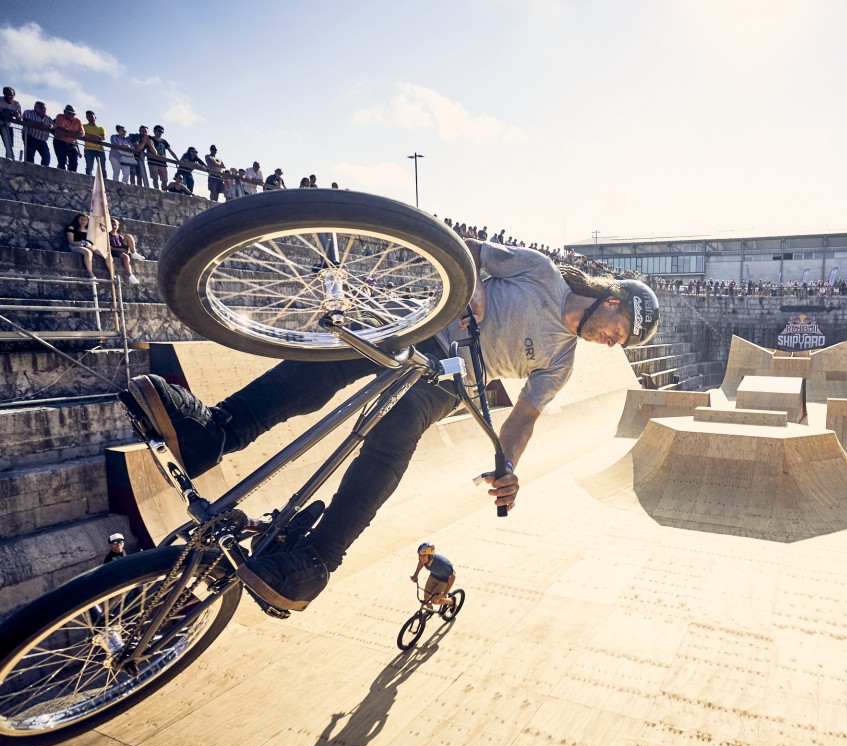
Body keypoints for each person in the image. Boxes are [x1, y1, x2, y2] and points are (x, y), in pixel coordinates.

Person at [123, 239, 661, 612]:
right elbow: (467, 253)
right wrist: (469, 287)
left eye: (621, 344)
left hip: (449, 382)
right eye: (620, 332)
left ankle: (318, 557)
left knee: (395, 430)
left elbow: (523, 415)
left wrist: (509, 466)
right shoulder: (539, 273)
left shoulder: (561, 362)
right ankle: (216, 432)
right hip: (423, 330)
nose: (614, 344)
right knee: (330, 363)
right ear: (612, 301)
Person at [410, 542, 455, 608]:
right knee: (426, 596)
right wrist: (415, 574)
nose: (421, 558)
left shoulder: (442, 564)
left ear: (430, 555)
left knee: (434, 600)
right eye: (420, 555)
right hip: (434, 575)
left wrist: (445, 593)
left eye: (424, 555)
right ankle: (429, 610)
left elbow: (453, 576)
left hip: (444, 580)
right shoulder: (424, 560)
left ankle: (451, 601)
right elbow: (421, 563)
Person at [65, 213, 104, 279]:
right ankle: (90, 273)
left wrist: (93, 247)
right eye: (81, 219)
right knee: (87, 252)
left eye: (85, 220)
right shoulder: (72, 228)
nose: (83, 221)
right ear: (77, 219)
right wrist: (84, 245)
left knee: (105, 254)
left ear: (87, 221)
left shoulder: (89, 230)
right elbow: (71, 241)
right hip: (76, 245)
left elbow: (94, 242)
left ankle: (112, 273)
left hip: (89, 245)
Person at [108, 219, 142, 284]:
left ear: (118, 226)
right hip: (115, 251)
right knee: (126, 257)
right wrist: (121, 250)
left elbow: (124, 246)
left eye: (115, 225)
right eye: (112, 225)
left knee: (129, 236)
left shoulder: (119, 236)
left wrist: (126, 249)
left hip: (122, 249)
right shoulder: (108, 235)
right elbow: (109, 247)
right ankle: (130, 275)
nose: (114, 226)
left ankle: (134, 253)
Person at [145, 125, 179, 189]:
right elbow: (147, 149)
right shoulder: (150, 139)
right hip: (153, 162)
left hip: (162, 163)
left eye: (162, 132)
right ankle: (157, 190)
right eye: (159, 131)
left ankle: (164, 191)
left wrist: (177, 159)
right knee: (155, 178)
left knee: (164, 179)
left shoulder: (164, 141)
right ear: (154, 131)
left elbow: (171, 151)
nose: (160, 133)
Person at [52, 104, 83, 171]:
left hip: (72, 144)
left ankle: (72, 177)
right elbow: (61, 128)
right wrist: (74, 133)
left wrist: (67, 132)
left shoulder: (78, 121)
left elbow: (82, 133)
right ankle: (60, 176)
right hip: (60, 142)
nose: (71, 115)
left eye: (73, 114)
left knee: (74, 163)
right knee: (62, 162)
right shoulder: (60, 117)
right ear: (65, 112)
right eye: (69, 113)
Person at [21, 101, 53, 166]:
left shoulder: (48, 118)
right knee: (30, 156)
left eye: (44, 108)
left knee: (47, 157)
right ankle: (30, 169)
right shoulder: (28, 112)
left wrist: (51, 126)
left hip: (42, 141)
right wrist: (42, 125)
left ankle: (44, 171)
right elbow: (26, 120)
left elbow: (53, 125)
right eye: (41, 108)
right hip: (30, 138)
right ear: (35, 107)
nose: (43, 110)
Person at [82, 111, 106, 177]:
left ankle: (104, 182)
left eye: (91, 116)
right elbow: (83, 135)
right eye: (88, 116)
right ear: (86, 117)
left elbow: (102, 138)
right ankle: (89, 180)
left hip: (100, 150)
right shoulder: (83, 126)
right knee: (89, 167)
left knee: (102, 168)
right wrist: (96, 136)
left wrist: (89, 136)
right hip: (88, 149)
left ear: (95, 117)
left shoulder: (101, 128)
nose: (90, 118)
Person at [0, 86, 22, 160]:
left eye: (11, 94)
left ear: (14, 95)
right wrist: (12, 114)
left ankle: (9, 159)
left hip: (8, 125)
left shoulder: (16, 104)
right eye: (6, 94)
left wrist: (16, 115)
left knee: (9, 145)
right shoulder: (0, 100)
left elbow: (19, 117)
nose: (9, 96)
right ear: (4, 93)